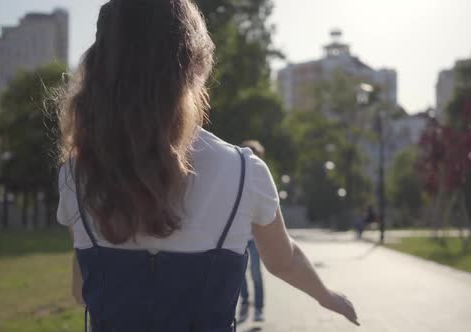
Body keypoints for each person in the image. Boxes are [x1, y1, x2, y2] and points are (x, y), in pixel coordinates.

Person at [56, 1, 359, 331]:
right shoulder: (244, 172)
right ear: (196, 66)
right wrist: (326, 296)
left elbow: (80, 291)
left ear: (101, 68)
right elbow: (283, 260)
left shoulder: (76, 173)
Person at [238, 140, 266, 323]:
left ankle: (258, 308)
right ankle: (245, 302)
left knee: (256, 273)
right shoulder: (236, 176)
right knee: (239, 274)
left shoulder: (262, 180)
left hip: (255, 238)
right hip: (238, 237)